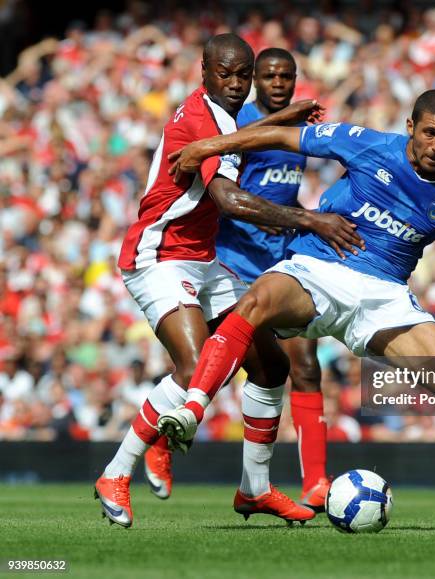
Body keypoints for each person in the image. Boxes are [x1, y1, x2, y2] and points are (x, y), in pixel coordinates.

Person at [160, 89, 435, 532]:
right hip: (317, 268)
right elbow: (285, 137)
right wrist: (209, 146)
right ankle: (192, 410)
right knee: (256, 301)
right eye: (430, 133)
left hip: (384, 296)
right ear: (411, 127)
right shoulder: (368, 143)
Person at [94, 33, 363, 528]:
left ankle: (254, 490)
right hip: (159, 256)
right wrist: (312, 221)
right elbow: (231, 202)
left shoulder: (224, 117)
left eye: (243, 75)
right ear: (205, 72)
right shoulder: (205, 118)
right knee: (198, 369)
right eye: (228, 74)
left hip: (203, 258)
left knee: (270, 366)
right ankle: (115, 473)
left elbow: (243, 136)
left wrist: (284, 117)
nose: (237, 84)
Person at [215, 47, 330, 511]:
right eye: (270, 76)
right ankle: (161, 436)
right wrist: (261, 212)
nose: (280, 83)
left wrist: (301, 217)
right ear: (256, 80)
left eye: (287, 76)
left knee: (305, 365)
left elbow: (285, 188)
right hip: (233, 263)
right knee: (217, 368)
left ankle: (316, 482)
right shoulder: (241, 123)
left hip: (280, 264)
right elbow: (222, 174)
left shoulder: (298, 130)